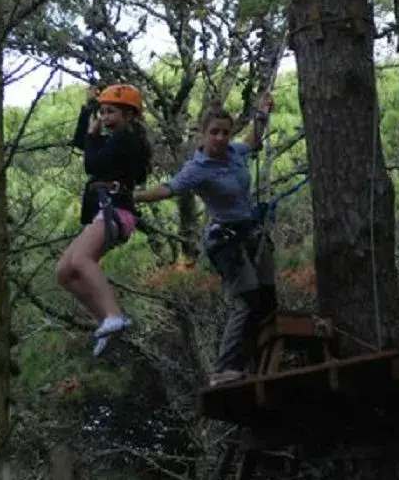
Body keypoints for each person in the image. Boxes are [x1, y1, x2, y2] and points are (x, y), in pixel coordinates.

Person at [134, 93, 277, 386]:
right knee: (247, 299)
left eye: (225, 132)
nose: (221, 138)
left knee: (267, 298)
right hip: (224, 240)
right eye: (214, 132)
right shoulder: (197, 169)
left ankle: (261, 360)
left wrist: (262, 112)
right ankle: (225, 367)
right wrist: (133, 196)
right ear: (203, 134)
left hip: (250, 231)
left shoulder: (236, 153)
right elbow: (169, 189)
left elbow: (252, 141)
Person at [55, 83, 153, 357]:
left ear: (130, 115)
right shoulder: (115, 139)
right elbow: (81, 143)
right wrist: (88, 110)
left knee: (81, 261)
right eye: (103, 112)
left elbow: (92, 164)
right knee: (63, 272)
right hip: (105, 210)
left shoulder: (128, 140)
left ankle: (114, 314)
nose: (105, 118)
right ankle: (107, 321)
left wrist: (92, 136)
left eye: (111, 112)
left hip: (117, 210)